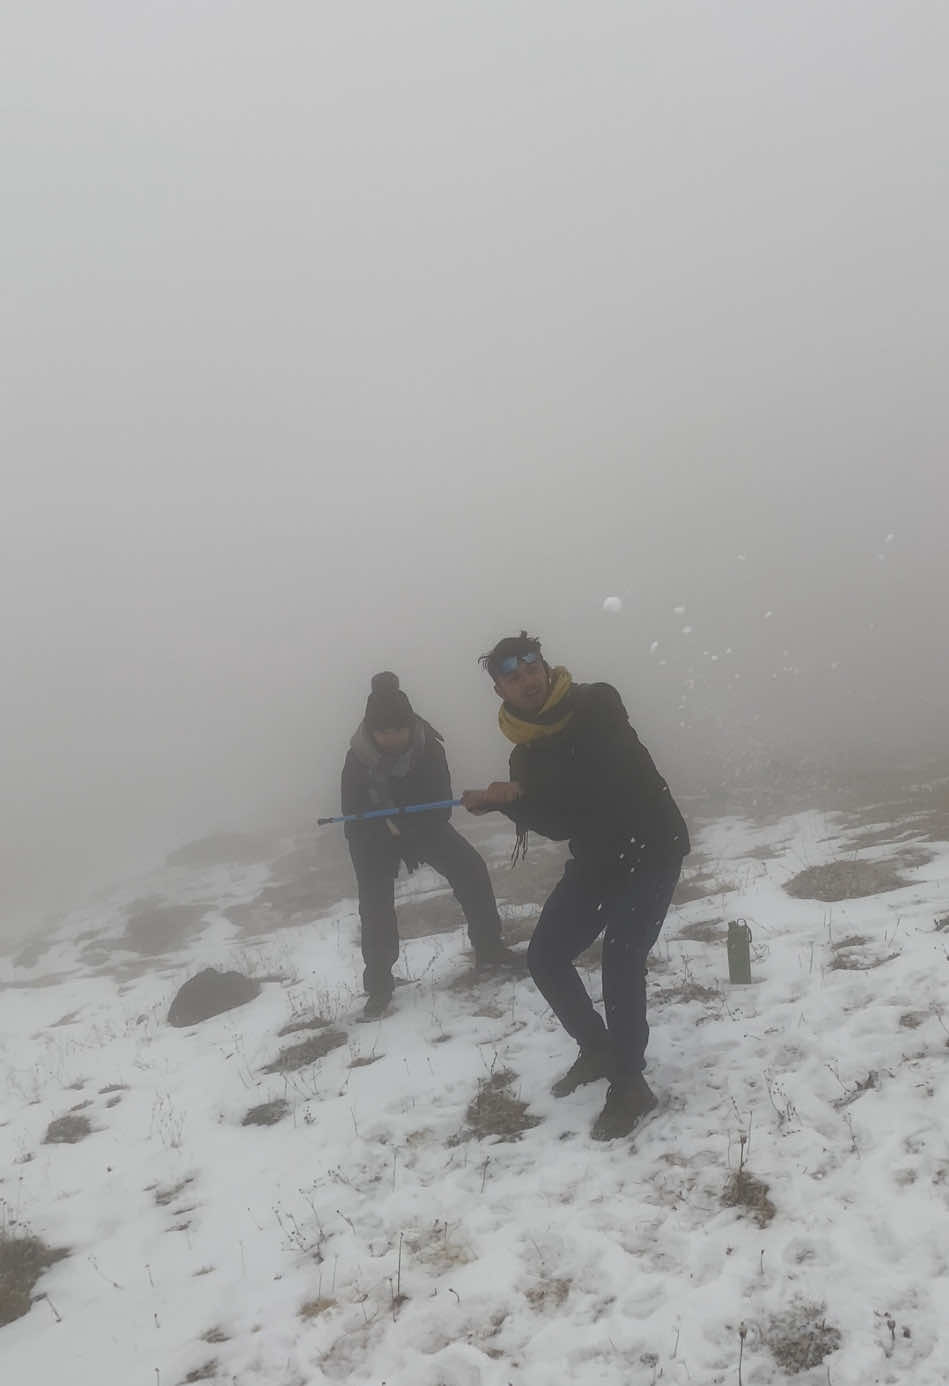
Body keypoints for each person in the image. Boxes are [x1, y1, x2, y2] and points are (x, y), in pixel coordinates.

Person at [462, 633, 690, 1139]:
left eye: (531, 669)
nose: (527, 681)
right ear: (500, 689)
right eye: (513, 677)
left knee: (622, 954)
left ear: (546, 666)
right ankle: (598, 1048)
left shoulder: (597, 704)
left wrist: (518, 792)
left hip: (652, 848)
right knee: (544, 957)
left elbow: (601, 779)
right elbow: (559, 822)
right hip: (599, 861)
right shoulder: (523, 753)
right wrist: (507, 802)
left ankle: (630, 1082)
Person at [342, 672, 522, 1018]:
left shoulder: (429, 748)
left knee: (471, 869)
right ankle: (379, 985)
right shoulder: (356, 759)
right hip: (372, 836)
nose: (391, 738)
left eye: (398, 730)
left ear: (409, 725)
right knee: (375, 904)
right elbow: (351, 814)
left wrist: (409, 826)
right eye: (383, 732)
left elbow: (440, 801)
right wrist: (383, 828)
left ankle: (489, 948)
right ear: (371, 730)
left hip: (425, 825)